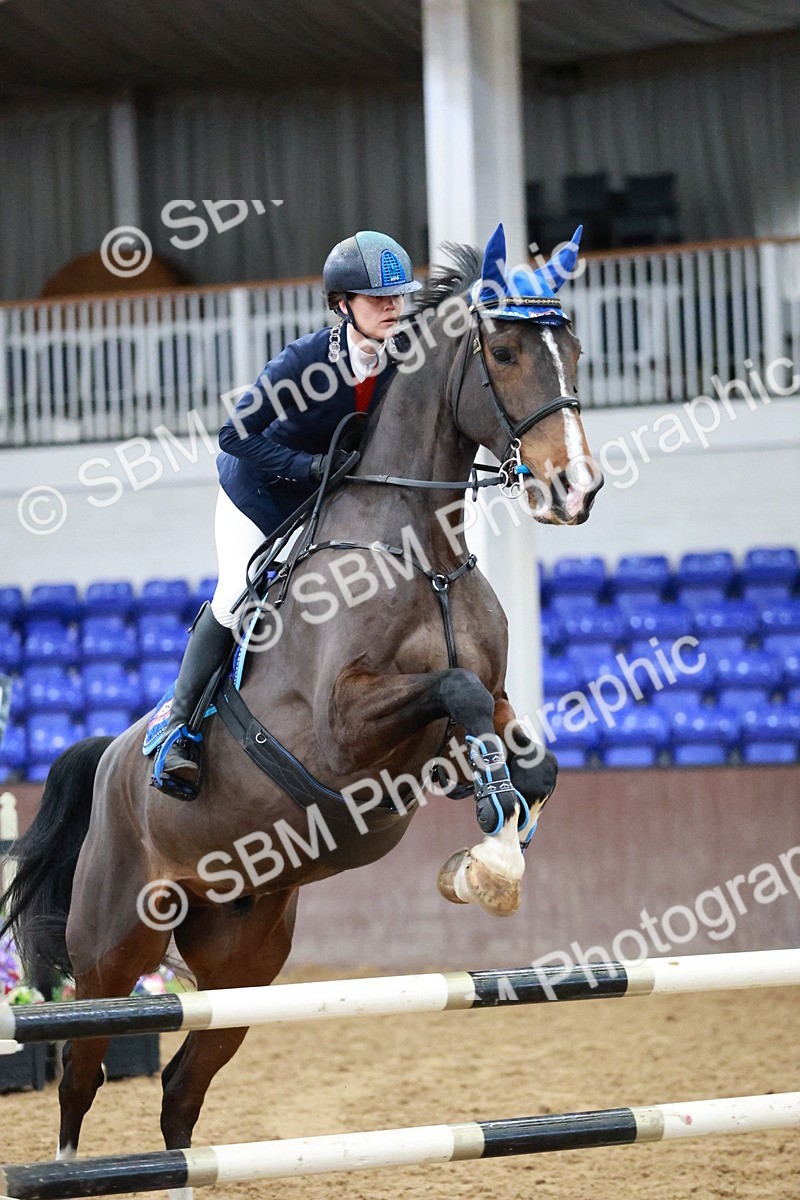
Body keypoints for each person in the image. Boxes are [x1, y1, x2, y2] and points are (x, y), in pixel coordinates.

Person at [153, 231, 422, 799]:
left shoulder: (404, 356)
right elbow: (233, 436)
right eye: (379, 299)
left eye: (398, 296)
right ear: (343, 305)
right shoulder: (303, 362)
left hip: (327, 500)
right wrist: (308, 466)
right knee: (235, 595)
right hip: (260, 496)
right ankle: (180, 730)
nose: (393, 308)